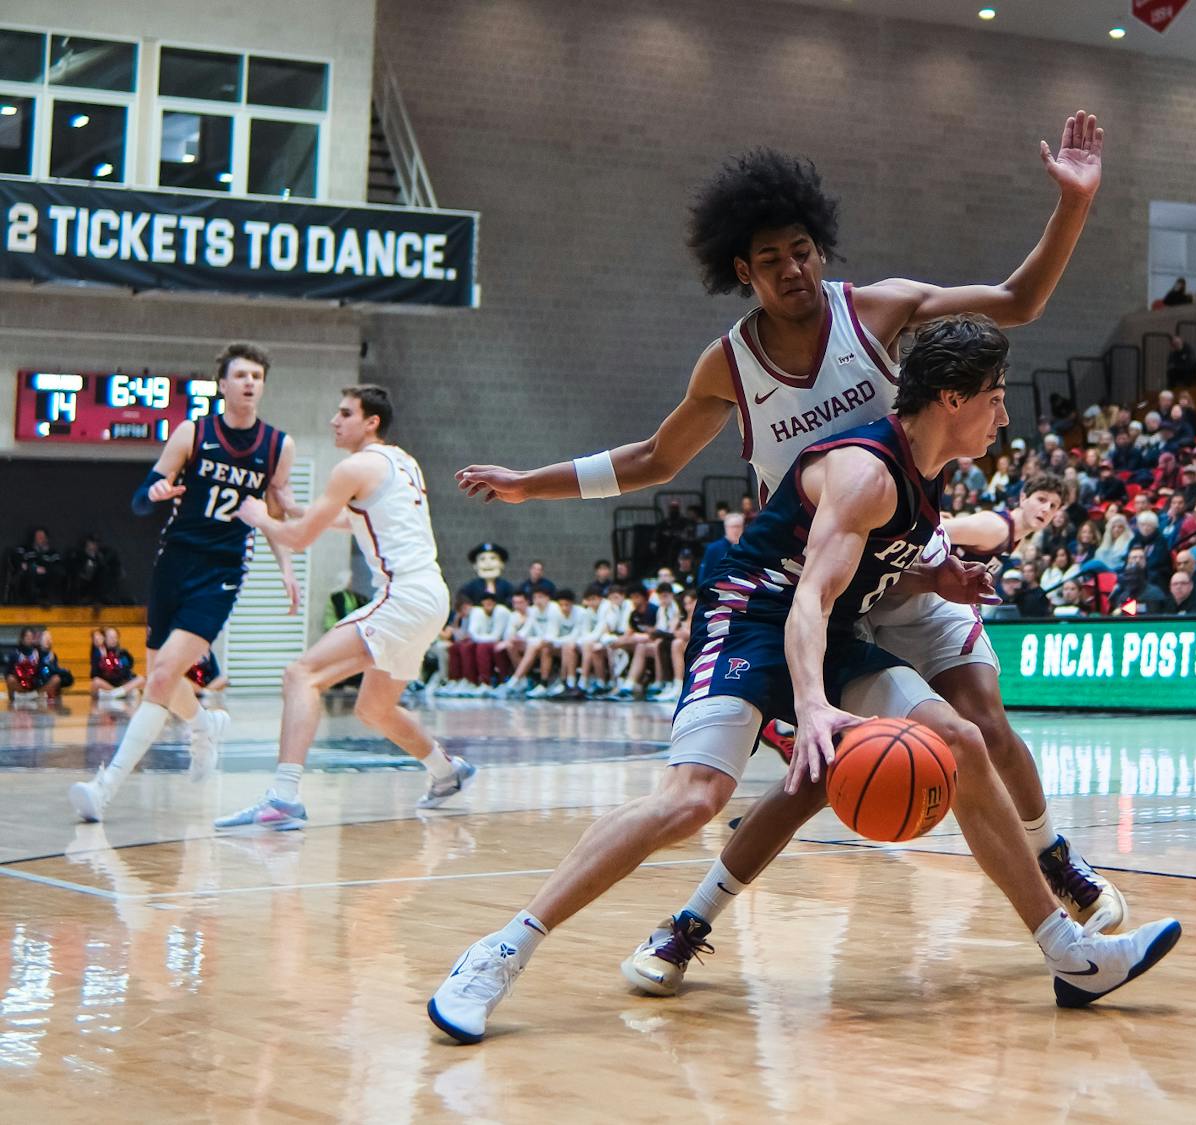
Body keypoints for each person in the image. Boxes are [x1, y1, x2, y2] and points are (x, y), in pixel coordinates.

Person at [454, 120, 1127, 938]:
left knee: (981, 716)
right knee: (812, 776)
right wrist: (532, 486)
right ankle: (691, 921)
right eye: (771, 259)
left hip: (905, 553)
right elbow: (653, 459)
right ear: (743, 271)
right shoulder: (728, 365)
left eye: (803, 249)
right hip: (817, 585)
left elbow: (1017, 303)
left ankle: (1053, 855)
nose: (793, 268)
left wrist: (1073, 205)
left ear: (821, 247)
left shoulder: (877, 311)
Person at [428, 315, 1180, 1045]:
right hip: (753, 615)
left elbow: (860, 579)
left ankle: (1070, 954)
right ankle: (501, 949)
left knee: (960, 739)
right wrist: (815, 706)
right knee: (695, 796)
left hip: (827, 628)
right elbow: (808, 601)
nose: (1004, 412)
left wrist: (933, 578)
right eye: (996, 394)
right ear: (953, 399)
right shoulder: (867, 473)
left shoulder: (923, 476)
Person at [214, 385, 468, 831]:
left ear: (371, 422)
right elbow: (354, 519)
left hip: (403, 595)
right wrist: (293, 508)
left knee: (300, 674)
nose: (334, 420)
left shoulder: (353, 467)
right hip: (430, 595)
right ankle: (447, 772)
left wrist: (262, 518)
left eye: (345, 413)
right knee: (374, 709)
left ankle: (283, 798)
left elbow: (298, 540)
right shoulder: (401, 460)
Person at [68, 342, 299, 823]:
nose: (250, 383)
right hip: (174, 564)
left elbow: (275, 514)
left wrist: (285, 567)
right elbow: (140, 497)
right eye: (241, 375)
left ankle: (104, 788)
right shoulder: (193, 432)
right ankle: (203, 724)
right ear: (223, 383)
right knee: (162, 676)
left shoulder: (278, 446)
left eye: (257, 375)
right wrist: (153, 492)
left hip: (222, 571)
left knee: (159, 676)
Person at [90, 626, 144, 699]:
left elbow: (127, 671)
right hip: (107, 685)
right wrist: (103, 658)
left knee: (141, 679)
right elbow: (94, 674)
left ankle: (118, 693)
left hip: (121, 683)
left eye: (115, 637)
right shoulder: (98, 653)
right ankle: (119, 694)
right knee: (95, 682)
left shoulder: (122, 653)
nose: (113, 640)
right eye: (111, 637)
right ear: (105, 638)